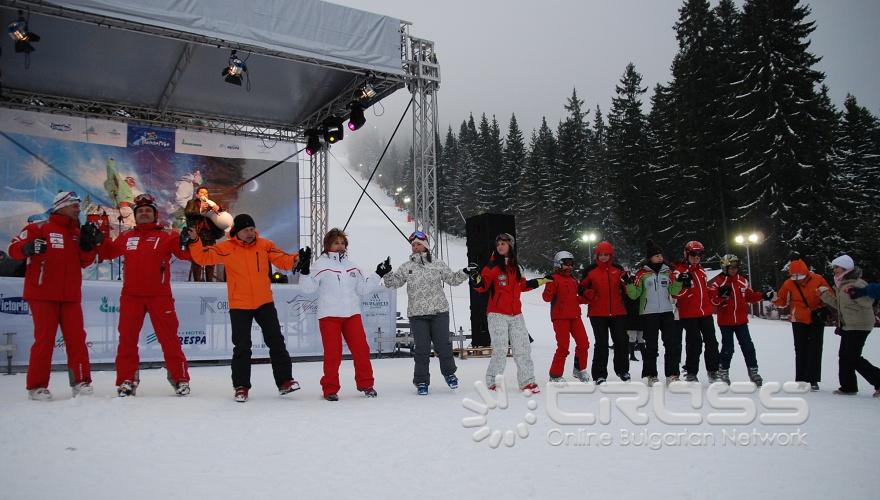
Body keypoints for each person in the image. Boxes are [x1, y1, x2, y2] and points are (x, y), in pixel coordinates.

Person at [186, 214, 302, 402]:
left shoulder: (264, 244)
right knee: (241, 347)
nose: (250, 233)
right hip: (239, 304)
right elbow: (202, 258)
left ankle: (285, 381)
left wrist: (296, 259)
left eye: (252, 229)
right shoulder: (227, 247)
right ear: (236, 232)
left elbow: (282, 259)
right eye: (246, 230)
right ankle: (241, 386)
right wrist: (194, 241)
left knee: (276, 342)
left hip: (264, 301)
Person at [8, 191, 102, 400]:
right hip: (42, 294)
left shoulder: (76, 233)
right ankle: (37, 386)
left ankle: (81, 381)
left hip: (70, 296)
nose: (78, 209)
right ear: (61, 206)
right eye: (74, 205)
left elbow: (84, 262)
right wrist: (27, 248)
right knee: (45, 340)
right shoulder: (37, 227)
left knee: (77, 339)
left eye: (78, 205)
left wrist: (89, 246)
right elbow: (12, 249)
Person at [98, 194, 193, 397]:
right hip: (131, 296)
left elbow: (186, 254)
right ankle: (126, 380)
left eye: (148, 211)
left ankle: (180, 379)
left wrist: (189, 241)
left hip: (160, 296)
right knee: (127, 339)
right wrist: (101, 237)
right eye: (140, 211)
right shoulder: (126, 237)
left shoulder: (168, 235)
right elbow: (108, 253)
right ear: (135, 215)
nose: (144, 213)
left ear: (155, 215)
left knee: (169, 339)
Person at [299, 228, 383, 401]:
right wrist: (305, 271)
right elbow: (307, 289)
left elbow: (363, 289)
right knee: (333, 353)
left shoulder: (352, 265)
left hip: (352, 314)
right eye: (336, 242)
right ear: (327, 244)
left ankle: (366, 384)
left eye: (342, 243)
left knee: (361, 350)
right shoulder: (320, 265)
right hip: (329, 315)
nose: (340, 246)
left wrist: (378, 274)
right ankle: (330, 389)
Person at [382, 230, 470, 395]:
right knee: (422, 349)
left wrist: (465, 272)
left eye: (418, 244)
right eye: (413, 245)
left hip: (439, 312)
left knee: (443, 346)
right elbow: (393, 284)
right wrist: (386, 272)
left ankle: (449, 374)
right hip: (417, 314)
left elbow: (452, 279)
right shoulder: (407, 266)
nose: (415, 247)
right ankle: (421, 381)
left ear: (426, 246)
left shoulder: (437, 263)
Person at [472, 233, 550, 394]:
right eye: (498, 243)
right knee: (500, 349)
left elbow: (523, 286)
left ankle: (527, 382)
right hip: (496, 314)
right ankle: (493, 382)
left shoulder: (516, 267)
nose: (500, 246)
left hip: (516, 315)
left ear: (511, 246)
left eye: (504, 244)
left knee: (522, 348)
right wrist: (475, 278)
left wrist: (540, 281)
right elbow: (482, 287)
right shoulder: (491, 267)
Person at [818, 255, 880, 397]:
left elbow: (868, 303)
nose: (834, 270)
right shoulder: (842, 284)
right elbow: (840, 306)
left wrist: (857, 295)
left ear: (846, 268)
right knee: (845, 356)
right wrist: (824, 295)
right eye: (834, 267)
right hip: (849, 325)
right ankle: (848, 386)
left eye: (837, 267)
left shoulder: (857, 284)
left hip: (860, 325)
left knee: (852, 357)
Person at [625, 241, 683, 386]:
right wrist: (629, 284)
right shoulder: (641, 274)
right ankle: (651, 374)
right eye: (656, 255)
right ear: (650, 257)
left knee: (671, 344)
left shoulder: (668, 272)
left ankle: (672, 374)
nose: (660, 257)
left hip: (666, 312)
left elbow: (674, 292)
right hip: (649, 313)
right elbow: (634, 295)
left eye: (660, 255)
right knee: (651, 346)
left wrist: (680, 281)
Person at [769, 258, 831, 391]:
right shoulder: (789, 283)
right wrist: (774, 299)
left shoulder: (818, 279)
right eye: (794, 276)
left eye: (800, 275)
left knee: (815, 349)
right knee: (800, 349)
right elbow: (782, 301)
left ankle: (813, 379)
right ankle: (801, 379)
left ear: (806, 273)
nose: (797, 279)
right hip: (798, 320)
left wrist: (823, 297)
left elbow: (829, 297)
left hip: (816, 319)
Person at [708, 254, 766, 386]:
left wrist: (763, 295)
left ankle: (753, 371)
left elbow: (749, 297)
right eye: (731, 267)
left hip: (741, 321)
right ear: (724, 267)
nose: (734, 270)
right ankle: (723, 371)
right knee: (728, 347)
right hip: (726, 322)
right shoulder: (718, 283)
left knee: (748, 346)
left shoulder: (742, 281)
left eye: (736, 267)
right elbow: (712, 301)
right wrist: (722, 298)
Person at [579, 241, 630, 383]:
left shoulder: (618, 269)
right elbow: (580, 288)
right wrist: (588, 293)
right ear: (597, 255)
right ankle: (599, 374)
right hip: (597, 313)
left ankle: (623, 370)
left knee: (621, 341)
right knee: (601, 343)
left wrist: (627, 281)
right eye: (600, 255)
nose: (603, 257)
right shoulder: (590, 270)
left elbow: (627, 288)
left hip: (618, 312)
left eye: (606, 255)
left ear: (611, 255)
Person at [674, 240, 720, 382]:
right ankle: (692, 372)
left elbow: (705, 290)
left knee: (712, 342)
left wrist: (716, 293)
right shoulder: (679, 271)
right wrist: (683, 285)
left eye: (700, 254)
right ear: (686, 254)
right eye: (693, 254)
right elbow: (675, 294)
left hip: (705, 313)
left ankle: (713, 371)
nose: (697, 257)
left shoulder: (701, 271)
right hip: (689, 314)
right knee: (695, 342)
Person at [542, 250, 589, 383]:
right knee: (563, 346)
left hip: (575, 316)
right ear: (558, 264)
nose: (569, 266)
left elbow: (574, 298)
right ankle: (555, 375)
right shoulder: (554, 278)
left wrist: (588, 298)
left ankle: (579, 369)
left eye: (571, 264)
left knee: (584, 343)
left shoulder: (573, 279)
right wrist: (548, 284)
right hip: (560, 317)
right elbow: (546, 298)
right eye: (566, 264)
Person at [184, 186, 226, 282]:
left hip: (210, 235)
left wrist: (219, 208)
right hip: (196, 234)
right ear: (197, 195)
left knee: (210, 259)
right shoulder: (192, 203)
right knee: (197, 259)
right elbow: (188, 213)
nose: (204, 195)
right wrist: (201, 211)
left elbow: (221, 214)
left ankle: (209, 282)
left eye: (206, 193)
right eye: (202, 193)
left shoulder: (211, 203)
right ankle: (197, 282)